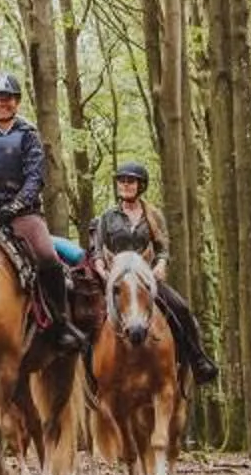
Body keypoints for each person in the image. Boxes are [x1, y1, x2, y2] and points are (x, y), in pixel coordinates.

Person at [0, 71, 83, 352]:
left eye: (7, 99)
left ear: (17, 102)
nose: (2, 104)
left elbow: (35, 178)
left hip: (23, 214)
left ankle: (61, 324)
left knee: (47, 256)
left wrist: (14, 206)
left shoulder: (29, 135)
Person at [88, 160, 219, 384]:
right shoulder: (106, 218)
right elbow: (97, 250)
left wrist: (160, 265)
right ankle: (85, 374)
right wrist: (101, 268)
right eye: (122, 180)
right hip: (116, 282)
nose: (125, 184)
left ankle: (197, 360)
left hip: (144, 280)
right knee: (85, 317)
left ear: (141, 185)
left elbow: (163, 250)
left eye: (130, 181)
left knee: (181, 308)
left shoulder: (153, 216)